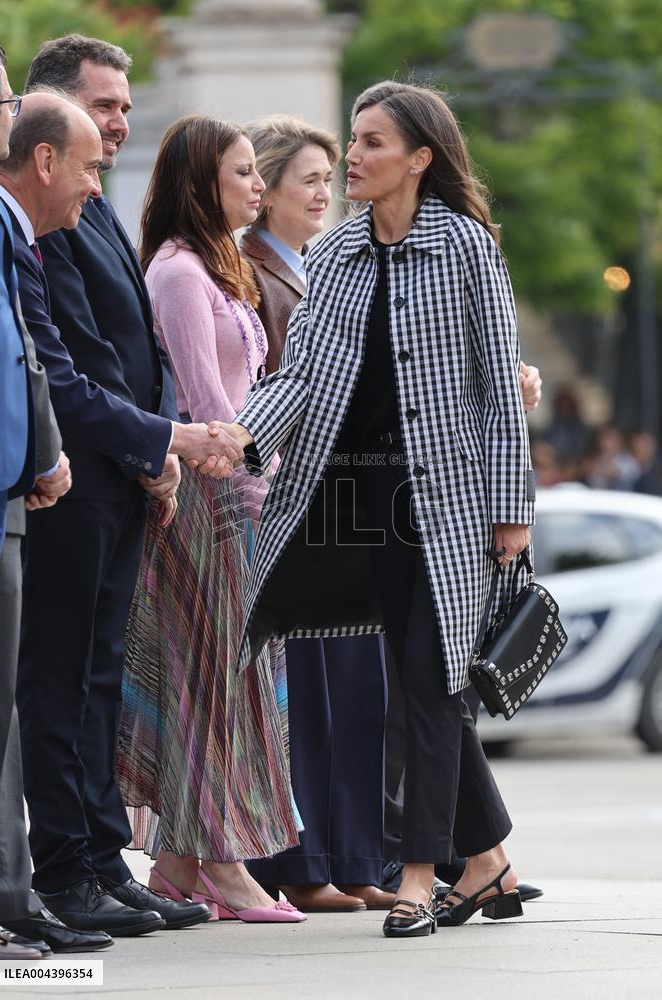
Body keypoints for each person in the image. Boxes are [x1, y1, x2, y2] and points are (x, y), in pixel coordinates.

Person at [210, 79, 536, 938]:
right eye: (353, 141)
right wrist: (236, 440)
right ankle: (491, 866)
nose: (353, 157)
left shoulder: (465, 247)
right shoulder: (343, 252)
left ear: (420, 159)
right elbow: (305, 378)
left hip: (455, 504)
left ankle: (422, 879)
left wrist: (513, 508)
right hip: (363, 506)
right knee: (424, 679)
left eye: (373, 143)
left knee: (426, 687)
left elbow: (499, 389)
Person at [10, 36, 240, 936]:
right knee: (59, 682)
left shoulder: (94, 198)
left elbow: (136, 343)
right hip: (72, 480)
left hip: (126, 477)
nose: (121, 125)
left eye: (125, 107)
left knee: (98, 682)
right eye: (106, 107)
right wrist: (164, 440)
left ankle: (106, 861)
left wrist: (159, 452)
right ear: (50, 116)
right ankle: (66, 873)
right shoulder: (41, 213)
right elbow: (73, 363)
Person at [116, 114, 305, 924]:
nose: (256, 185)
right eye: (240, 173)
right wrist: (264, 477)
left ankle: (178, 863)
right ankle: (222, 864)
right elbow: (206, 412)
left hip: (244, 496)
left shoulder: (215, 266)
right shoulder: (179, 273)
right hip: (210, 502)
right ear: (200, 183)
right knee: (220, 683)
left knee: (234, 680)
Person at [241, 114, 393, 913]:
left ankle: (353, 857)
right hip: (291, 501)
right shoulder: (256, 271)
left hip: (347, 502)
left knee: (354, 695)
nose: (326, 193)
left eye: (329, 179)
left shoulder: (317, 266)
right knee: (308, 699)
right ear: (263, 190)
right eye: (310, 179)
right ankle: (304, 862)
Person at [0, 42, 102, 961]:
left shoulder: (15, 225)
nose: (96, 185)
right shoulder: (4, 219)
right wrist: (45, 447)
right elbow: (39, 361)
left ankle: (16, 897)